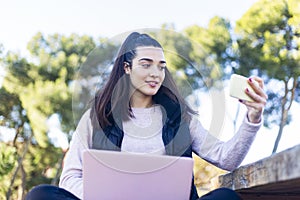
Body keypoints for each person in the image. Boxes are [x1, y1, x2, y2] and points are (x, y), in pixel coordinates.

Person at [26, 32, 267, 200]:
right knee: (40, 195)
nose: (156, 73)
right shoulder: (96, 116)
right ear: (127, 67)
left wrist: (253, 117)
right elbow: (69, 178)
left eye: (161, 66)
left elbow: (226, 158)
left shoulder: (180, 117)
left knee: (226, 197)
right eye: (146, 64)